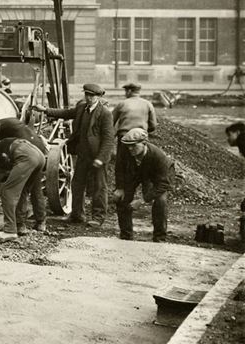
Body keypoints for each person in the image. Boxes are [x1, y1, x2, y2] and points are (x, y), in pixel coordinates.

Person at [34, 83, 115, 226]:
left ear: (99, 97)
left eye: (92, 96)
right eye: (87, 95)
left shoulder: (105, 113)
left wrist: (101, 159)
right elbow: (66, 113)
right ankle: (77, 215)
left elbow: (109, 139)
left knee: (99, 187)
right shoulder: (82, 108)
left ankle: (98, 218)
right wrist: (46, 110)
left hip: (97, 156)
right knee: (77, 185)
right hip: (83, 154)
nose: (89, 98)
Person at [113, 128, 173, 242]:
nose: (130, 148)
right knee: (121, 198)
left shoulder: (159, 157)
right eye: (128, 145)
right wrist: (120, 188)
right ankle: (126, 236)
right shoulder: (125, 150)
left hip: (155, 177)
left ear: (144, 144)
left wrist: (142, 200)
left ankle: (159, 237)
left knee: (161, 201)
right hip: (135, 172)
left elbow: (163, 184)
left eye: (134, 146)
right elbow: (119, 169)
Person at [113, 82, 158, 183]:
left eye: (126, 91)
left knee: (121, 163)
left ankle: (121, 188)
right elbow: (153, 125)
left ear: (129, 91)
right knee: (143, 162)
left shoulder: (122, 104)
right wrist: (144, 132)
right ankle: (143, 185)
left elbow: (110, 122)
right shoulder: (148, 104)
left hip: (124, 138)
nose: (125, 93)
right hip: (141, 139)